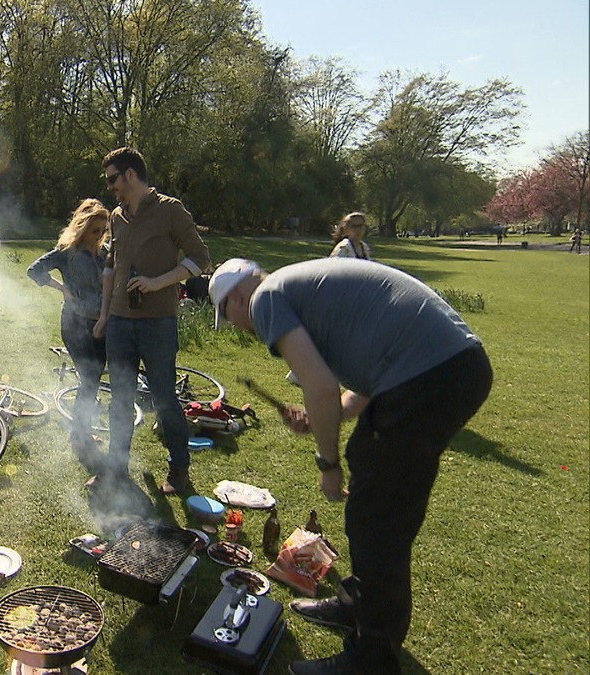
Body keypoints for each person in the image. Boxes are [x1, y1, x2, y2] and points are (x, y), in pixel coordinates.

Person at [208, 257, 492, 675]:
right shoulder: (298, 288)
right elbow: (354, 388)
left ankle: (371, 660)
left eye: (227, 316)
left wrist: (328, 463)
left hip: (433, 373)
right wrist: (326, 413)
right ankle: (356, 604)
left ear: (234, 298)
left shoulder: (265, 299)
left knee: (378, 517)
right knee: (373, 495)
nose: (236, 326)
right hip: (447, 367)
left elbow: (321, 389)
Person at [92, 147, 212, 495]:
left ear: (131, 175)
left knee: (163, 399)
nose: (111, 187)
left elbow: (200, 258)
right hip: (119, 322)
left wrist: (158, 282)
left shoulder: (170, 210)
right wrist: (103, 316)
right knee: (119, 398)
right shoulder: (116, 216)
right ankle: (116, 469)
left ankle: (179, 470)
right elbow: (111, 267)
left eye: (113, 179)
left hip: (157, 322)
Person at [27, 198, 110, 468]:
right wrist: (61, 287)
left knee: (94, 379)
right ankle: (79, 434)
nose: (100, 236)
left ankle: (82, 430)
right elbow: (34, 270)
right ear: (83, 228)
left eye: (103, 230)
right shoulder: (66, 252)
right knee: (89, 379)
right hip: (75, 324)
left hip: (102, 324)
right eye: (95, 230)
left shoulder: (105, 253)